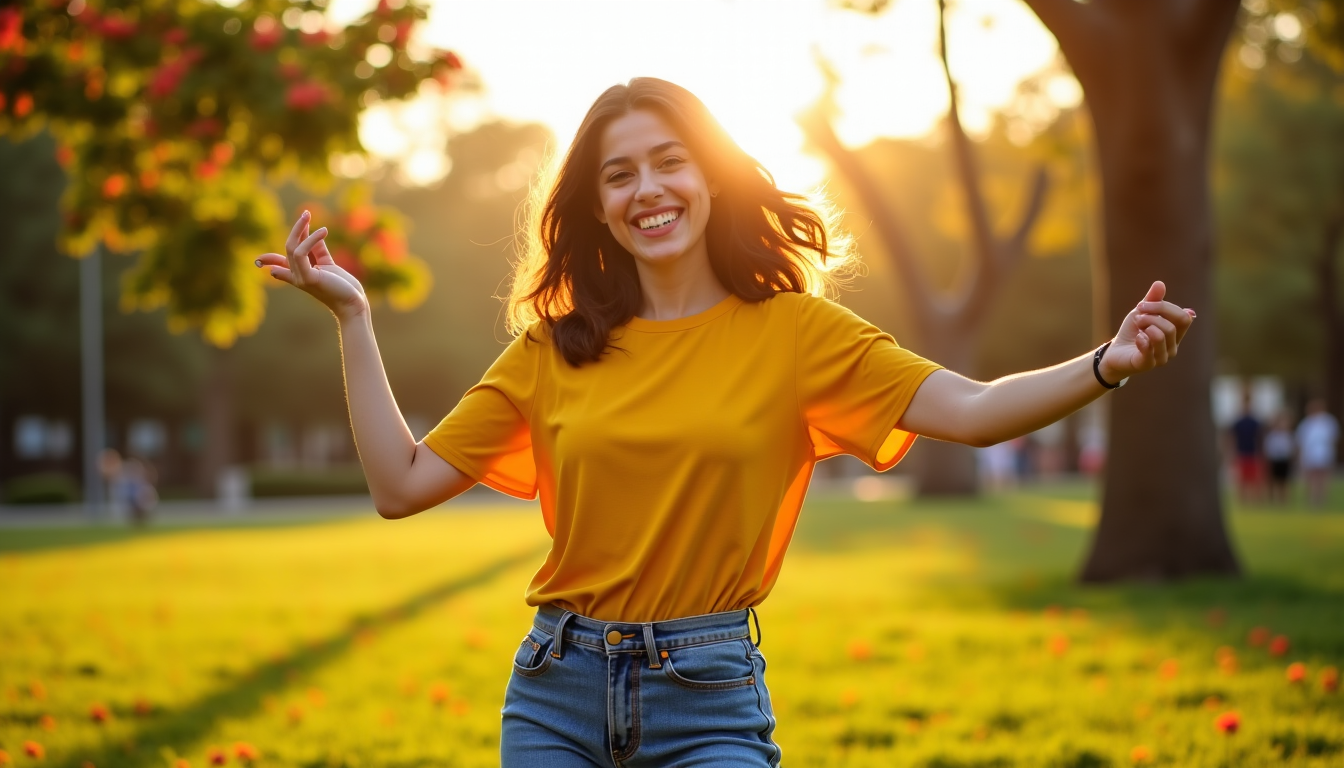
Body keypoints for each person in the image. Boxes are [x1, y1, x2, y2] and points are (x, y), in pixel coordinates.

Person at [254, 78, 1196, 766]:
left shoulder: (795, 333)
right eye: (619, 175)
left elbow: (977, 412)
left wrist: (1107, 364)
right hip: (556, 689)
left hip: (707, 695)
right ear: (599, 209)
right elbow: (400, 484)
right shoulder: (555, 348)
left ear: (710, 178)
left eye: (671, 162)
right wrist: (355, 319)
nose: (648, 189)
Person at [1296, 399, 1339, 507]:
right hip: (1310, 453)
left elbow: (1334, 438)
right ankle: (1312, 499)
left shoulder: (1329, 421)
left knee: (1323, 477)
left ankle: (1322, 499)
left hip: (1324, 452)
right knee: (1311, 477)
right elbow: (1301, 441)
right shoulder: (1306, 423)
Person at [1229, 391, 1263, 503]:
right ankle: (1242, 500)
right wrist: (1231, 452)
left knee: (1253, 479)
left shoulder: (1255, 422)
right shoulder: (1237, 422)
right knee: (1241, 479)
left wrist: (1260, 452)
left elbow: (1259, 438)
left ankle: (1253, 500)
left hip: (1252, 452)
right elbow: (1231, 438)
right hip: (1241, 452)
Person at [1263, 412, 1295, 505]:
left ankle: (1284, 500)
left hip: (1285, 460)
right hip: (1274, 460)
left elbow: (1292, 448)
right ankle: (1271, 500)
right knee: (1272, 481)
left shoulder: (1288, 435)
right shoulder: (1272, 436)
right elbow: (1268, 448)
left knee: (1284, 481)